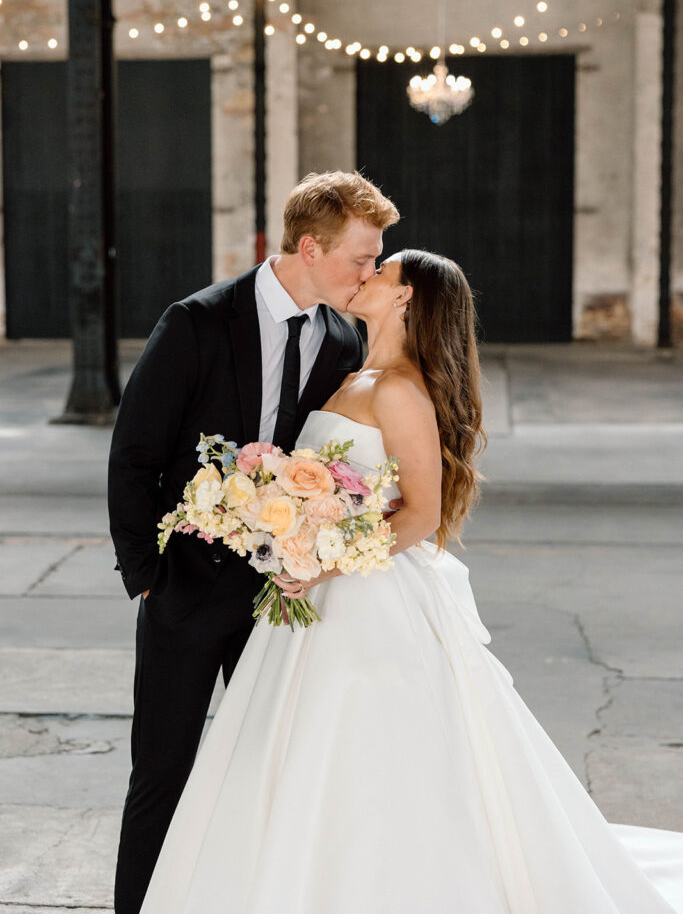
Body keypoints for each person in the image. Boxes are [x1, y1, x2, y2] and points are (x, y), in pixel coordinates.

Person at [137, 249, 683, 914]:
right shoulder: (353, 373)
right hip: (316, 591)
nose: (365, 275)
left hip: (367, 597)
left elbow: (421, 513)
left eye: (382, 272)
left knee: (372, 756)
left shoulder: (398, 388)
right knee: (294, 756)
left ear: (404, 300)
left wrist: (323, 561)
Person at [107, 170, 400, 914]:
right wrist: (146, 574)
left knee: (265, 771)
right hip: (185, 590)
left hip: (280, 602)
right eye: (361, 258)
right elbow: (135, 451)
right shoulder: (198, 321)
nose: (370, 273)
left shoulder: (340, 335)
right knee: (163, 775)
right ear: (310, 246)